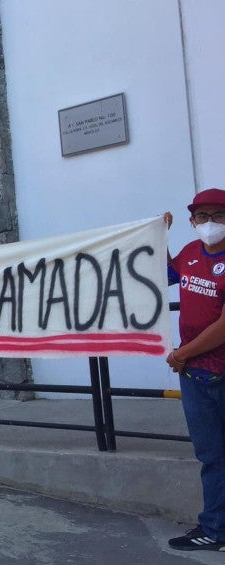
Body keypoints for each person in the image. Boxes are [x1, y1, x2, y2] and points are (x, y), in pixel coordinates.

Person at [165, 187, 225, 551]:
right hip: (195, 376)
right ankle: (217, 525)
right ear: (192, 222)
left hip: (212, 371)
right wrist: (159, 236)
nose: (209, 224)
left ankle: (216, 530)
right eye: (201, 217)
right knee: (212, 455)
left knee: (215, 456)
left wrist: (183, 353)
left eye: (217, 216)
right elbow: (164, 274)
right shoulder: (189, 253)